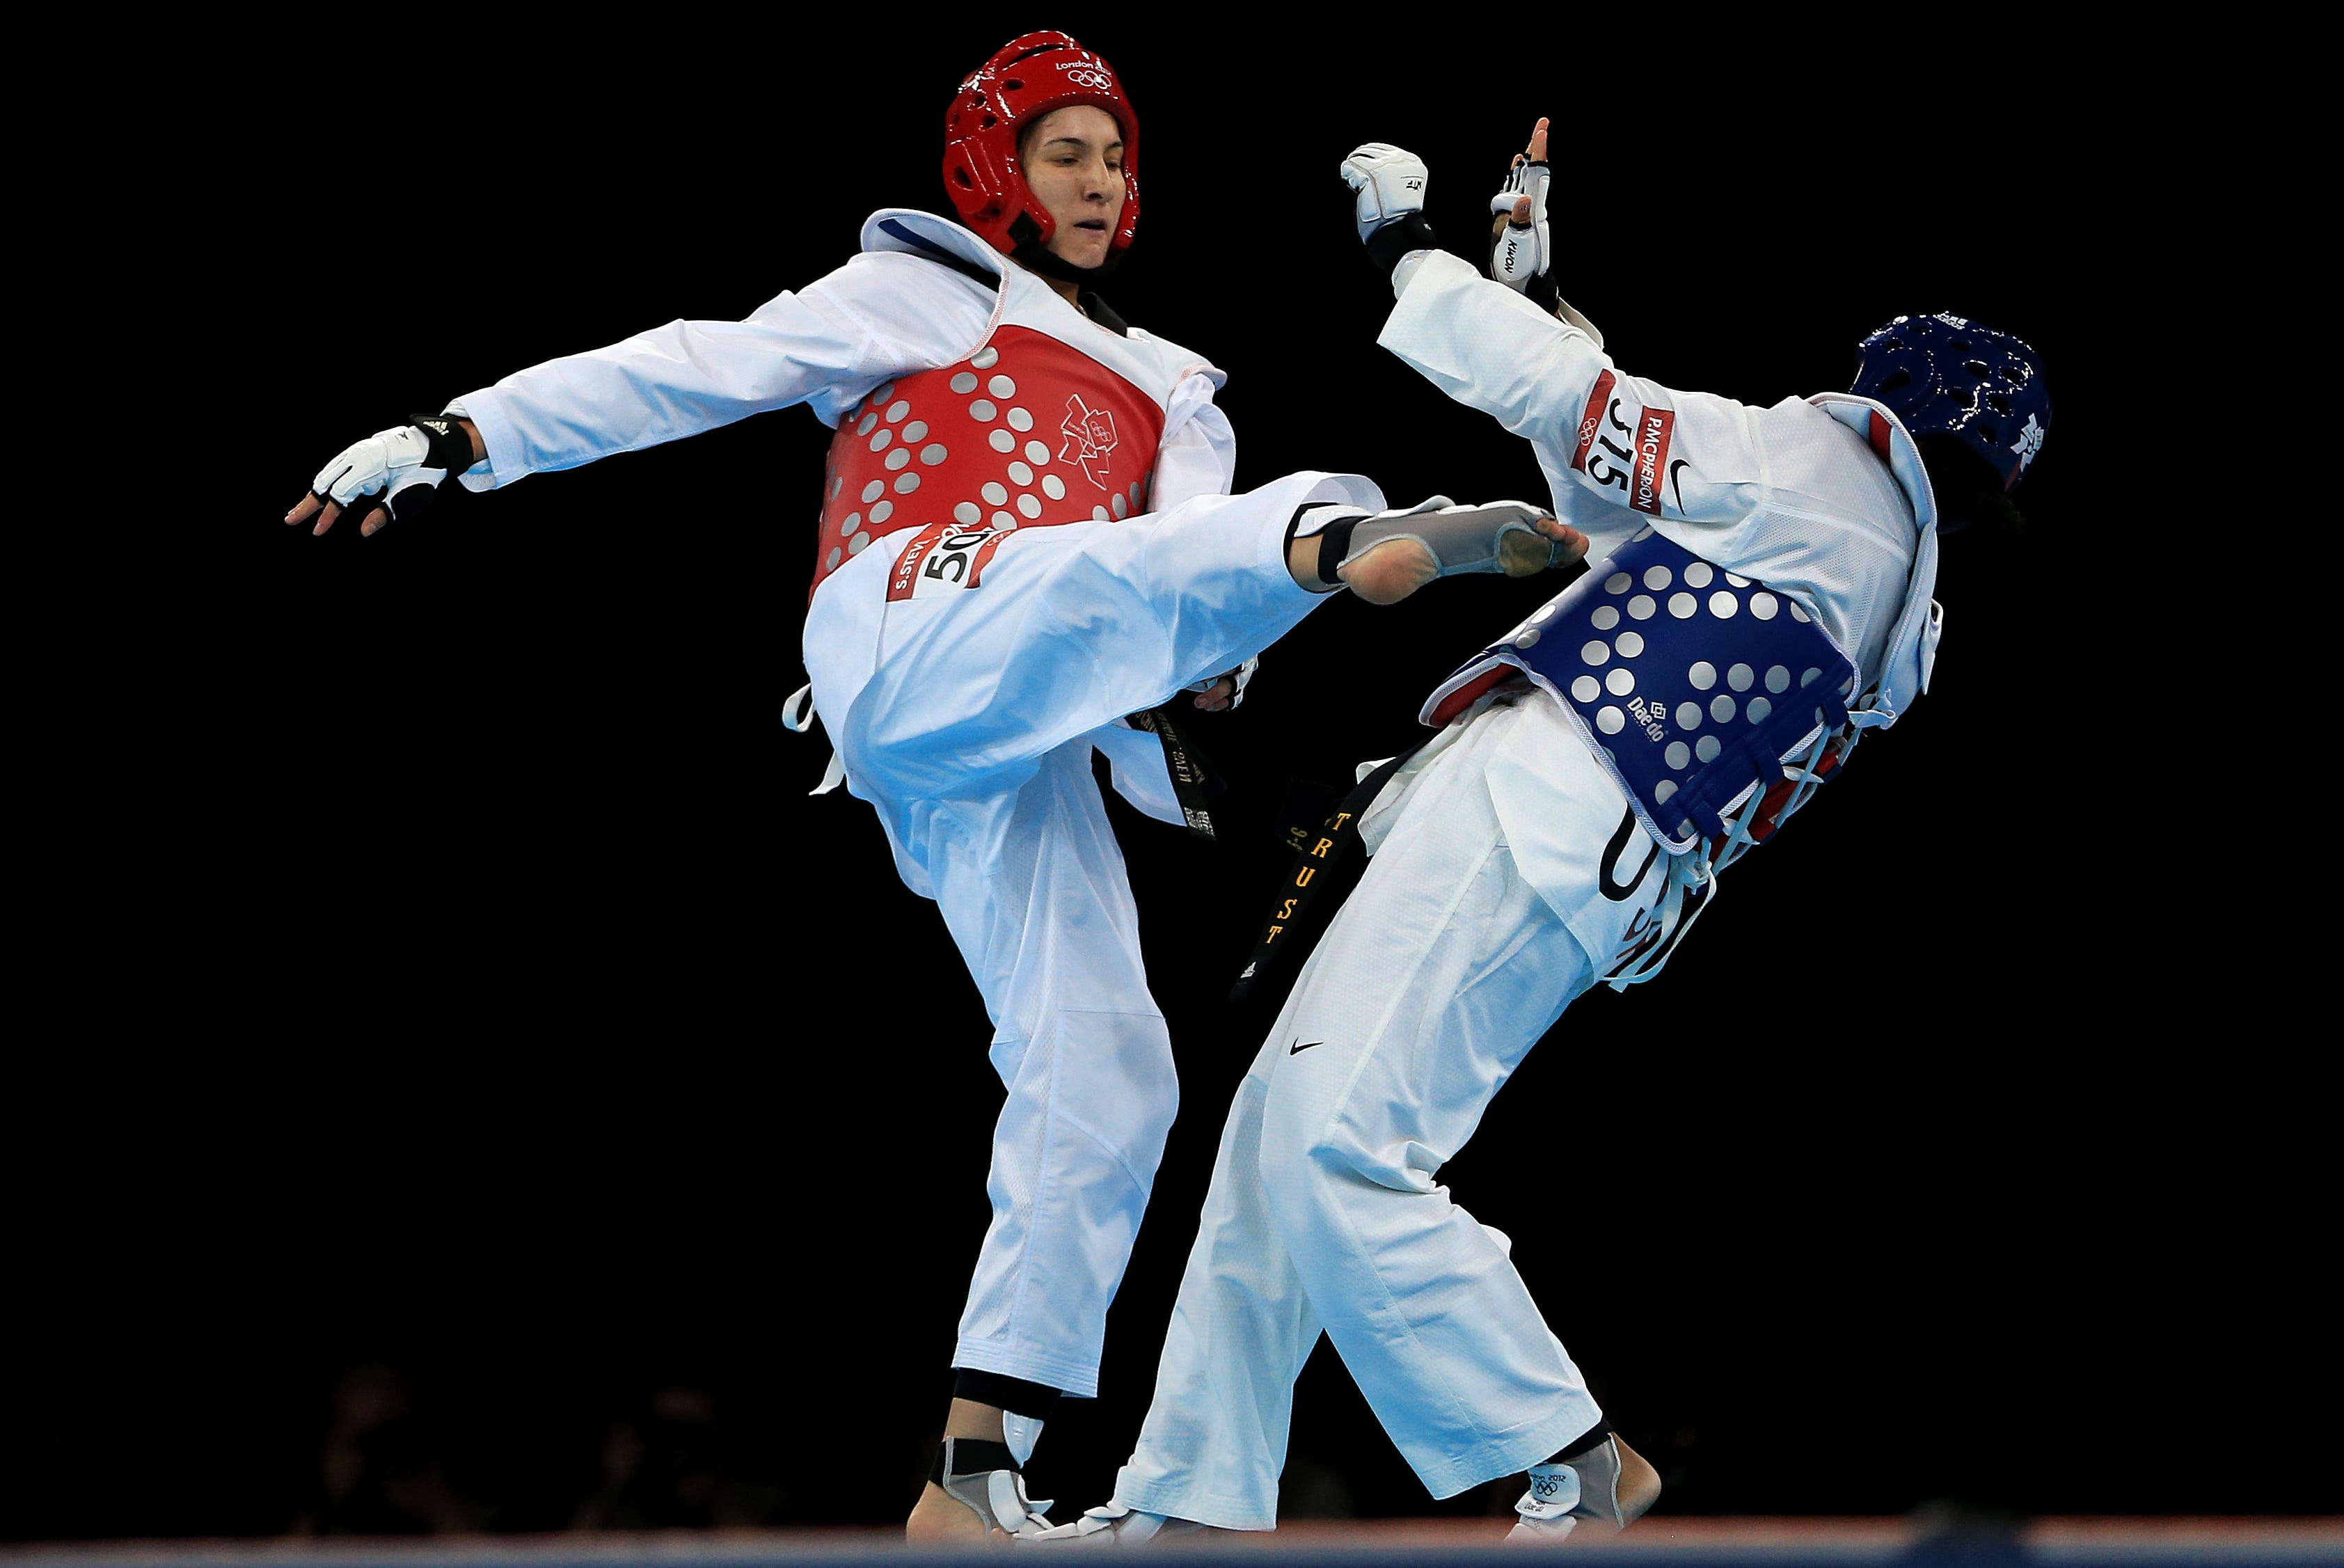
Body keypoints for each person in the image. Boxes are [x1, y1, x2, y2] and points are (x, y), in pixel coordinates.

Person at [280, 39, 1580, 1544]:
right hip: (909, 614)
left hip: (1011, 724)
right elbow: (685, 364)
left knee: (1107, 1063)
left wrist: (1213, 710)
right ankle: (1346, 532)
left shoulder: (1178, 394)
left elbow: (1149, 626)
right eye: (1066, 153)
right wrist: (464, 437)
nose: (1101, 183)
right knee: (1153, 557)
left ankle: (974, 1465)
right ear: (992, 168)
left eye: (1116, 157)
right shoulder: (925, 286)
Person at [1039, 120, 2051, 1544]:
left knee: (1337, 1147)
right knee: (1283, 1129)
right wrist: (1538, 301)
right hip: (1588, 852)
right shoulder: (1879, 577)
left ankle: (1572, 1455)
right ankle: (1189, 1498)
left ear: (1892, 397)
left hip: (1548, 801)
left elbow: (1584, 412)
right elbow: (1609, 514)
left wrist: (1412, 253)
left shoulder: (1833, 472)